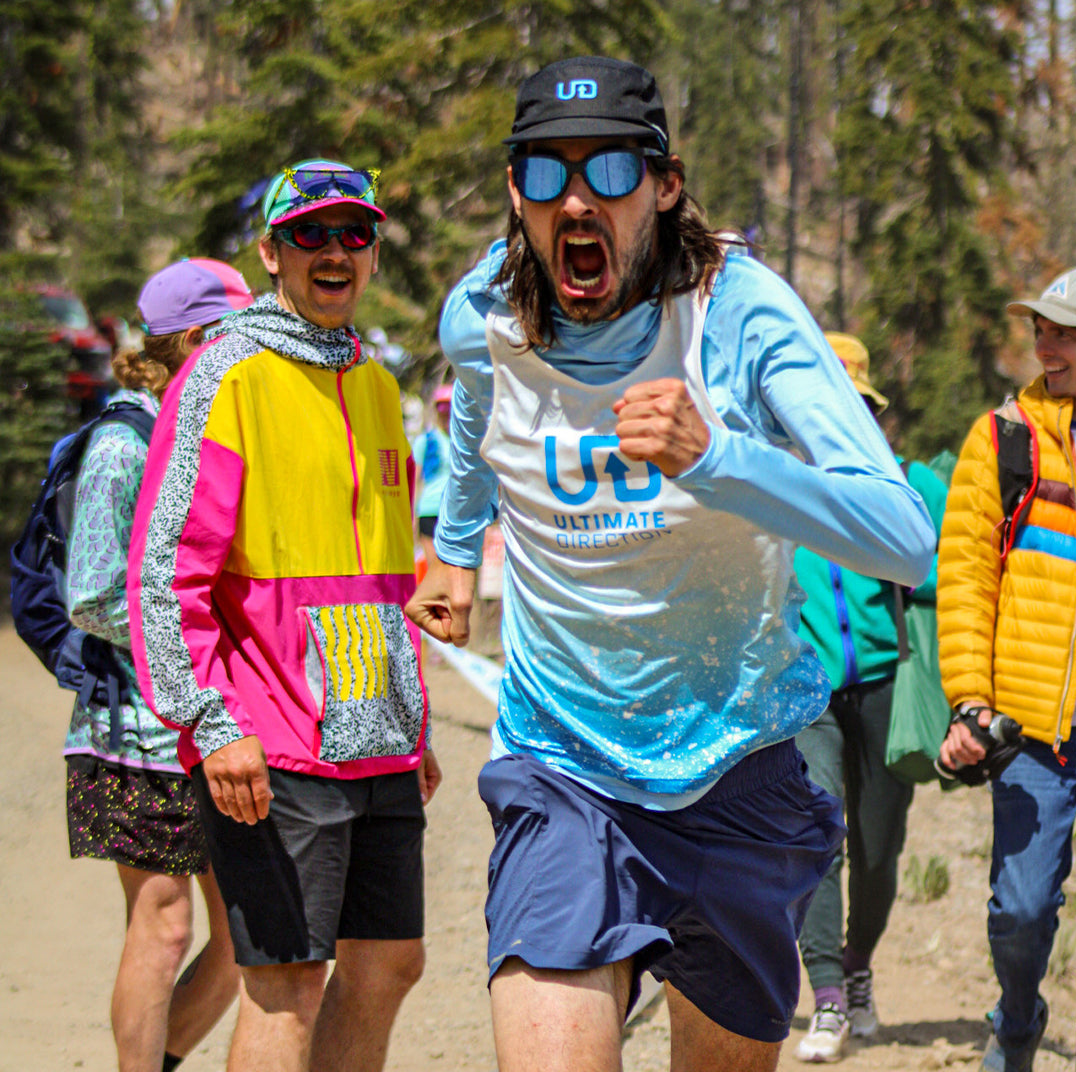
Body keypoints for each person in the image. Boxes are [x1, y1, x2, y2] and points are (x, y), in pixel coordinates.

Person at [406, 55, 937, 1072]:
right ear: (514, 190)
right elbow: (477, 410)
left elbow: (901, 535)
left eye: (608, 172)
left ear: (664, 183)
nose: (576, 200)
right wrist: (457, 548)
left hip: (735, 768)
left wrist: (720, 460)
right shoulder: (481, 312)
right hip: (562, 762)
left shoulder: (738, 311)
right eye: (546, 173)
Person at [127, 159, 441, 1072]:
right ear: (271, 251)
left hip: (375, 733)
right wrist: (211, 722)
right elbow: (162, 575)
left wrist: (410, 716)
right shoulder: (226, 373)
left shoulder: (379, 385)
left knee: (389, 964)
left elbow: (385, 582)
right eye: (310, 233)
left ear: (374, 251)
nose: (335, 250)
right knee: (287, 980)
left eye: (354, 233)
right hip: (267, 742)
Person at [65, 257, 253, 1072]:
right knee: (167, 922)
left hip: (217, 725)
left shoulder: (216, 425)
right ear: (191, 339)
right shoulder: (123, 439)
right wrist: (192, 624)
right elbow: (91, 594)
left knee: (247, 935)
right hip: (130, 731)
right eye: (235, 333)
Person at [791, 333, 949, 1063]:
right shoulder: (777, 488)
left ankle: (857, 967)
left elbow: (959, 568)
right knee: (819, 833)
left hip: (888, 686)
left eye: (853, 406)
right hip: (806, 694)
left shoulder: (909, 485)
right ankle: (825, 995)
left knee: (879, 851)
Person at [937, 267, 1076, 1072]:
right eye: (1042, 329)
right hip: (1032, 727)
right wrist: (970, 701)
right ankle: (1018, 1021)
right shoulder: (1005, 438)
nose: (1044, 345)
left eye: (1063, 331)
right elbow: (963, 576)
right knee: (1022, 911)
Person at [412, 381, 454, 574]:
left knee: (453, 570)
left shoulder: (464, 442)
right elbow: (416, 480)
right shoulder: (425, 441)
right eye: (442, 407)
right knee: (434, 570)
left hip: (456, 512)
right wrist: (411, 517)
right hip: (429, 510)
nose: (446, 412)